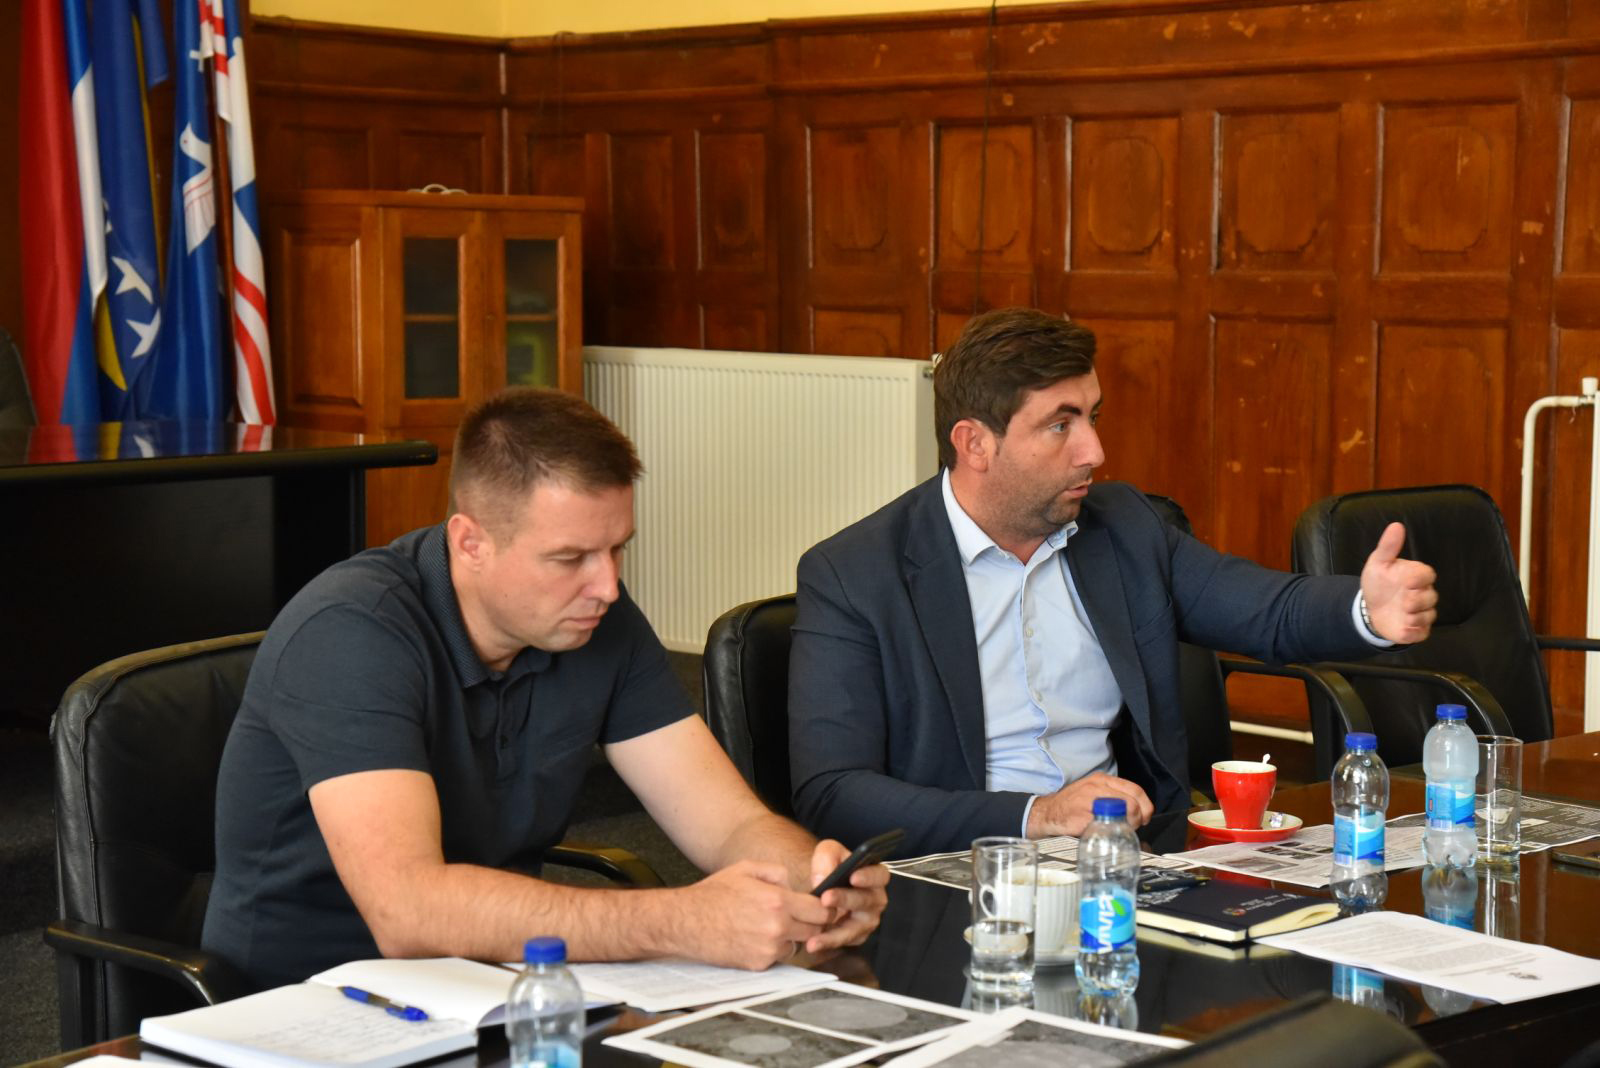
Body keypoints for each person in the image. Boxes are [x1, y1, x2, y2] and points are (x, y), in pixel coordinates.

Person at [202, 388, 887, 989]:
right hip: (304, 1002)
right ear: (470, 543)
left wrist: (812, 879)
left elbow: (728, 823)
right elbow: (407, 912)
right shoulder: (349, 633)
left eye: (617, 548)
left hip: (495, 984)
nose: (607, 586)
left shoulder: (596, 622)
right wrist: (682, 918)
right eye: (570, 558)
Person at [787, 308, 1438, 858]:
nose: (1093, 451)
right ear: (974, 444)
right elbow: (834, 792)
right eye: (1060, 425)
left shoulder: (1124, 528)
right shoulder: (855, 574)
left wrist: (1365, 609)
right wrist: (1039, 815)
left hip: (1124, 864)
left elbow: (1267, 609)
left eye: (1093, 417)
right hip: (965, 875)